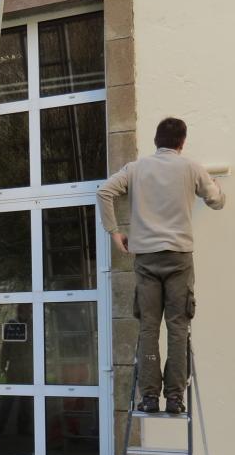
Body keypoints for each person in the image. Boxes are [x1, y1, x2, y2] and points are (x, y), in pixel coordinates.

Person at [96, 117, 225, 415]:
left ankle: (150, 397)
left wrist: (114, 232)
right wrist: (218, 189)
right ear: (182, 142)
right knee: (178, 328)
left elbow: (104, 192)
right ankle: (176, 398)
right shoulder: (191, 167)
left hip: (146, 259)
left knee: (149, 328)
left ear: (156, 140)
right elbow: (216, 201)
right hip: (179, 258)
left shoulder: (135, 168)